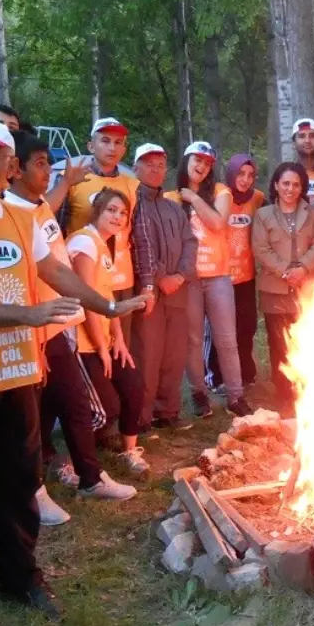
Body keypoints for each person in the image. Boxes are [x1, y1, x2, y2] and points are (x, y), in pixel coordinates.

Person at [0, 119, 148, 626]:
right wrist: (27, 316)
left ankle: (22, 577)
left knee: (19, 481)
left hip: (16, 369)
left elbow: (58, 273)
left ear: (9, 167)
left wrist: (107, 305)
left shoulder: (24, 217)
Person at [3, 131, 135, 504]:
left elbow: (57, 262)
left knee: (64, 407)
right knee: (42, 415)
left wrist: (64, 182)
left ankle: (87, 478)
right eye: (41, 163)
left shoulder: (37, 204)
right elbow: (48, 273)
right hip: (36, 331)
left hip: (60, 326)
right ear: (15, 169)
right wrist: (104, 307)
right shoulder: (11, 215)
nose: (49, 170)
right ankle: (36, 490)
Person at [68, 188, 150, 480]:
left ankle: (129, 451)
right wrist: (102, 347)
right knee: (104, 407)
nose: (117, 217)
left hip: (104, 337)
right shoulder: (84, 243)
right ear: (98, 211)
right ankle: (68, 462)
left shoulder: (104, 246)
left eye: (123, 213)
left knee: (133, 385)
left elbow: (108, 297)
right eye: (111, 210)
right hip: (81, 343)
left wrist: (119, 341)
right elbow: (88, 300)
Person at [167, 140, 251, 417]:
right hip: (188, 278)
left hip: (218, 276)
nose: (201, 166)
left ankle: (236, 396)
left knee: (226, 338)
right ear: (186, 161)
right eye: (196, 160)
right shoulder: (170, 197)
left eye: (207, 162)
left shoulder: (220, 191)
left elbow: (217, 224)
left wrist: (193, 199)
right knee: (192, 339)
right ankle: (199, 393)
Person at [130, 142, 199, 431]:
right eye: (149, 164)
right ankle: (141, 418)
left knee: (174, 353)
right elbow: (138, 246)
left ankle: (168, 412)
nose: (155, 170)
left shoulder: (174, 208)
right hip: (150, 292)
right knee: (148, 354)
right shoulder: (132, 205)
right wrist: (161, 279)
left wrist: (181, 276)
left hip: (179, 291)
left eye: (160, 165)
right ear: (136, 168)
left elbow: (190, 242)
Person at [253, 162, 314, 411]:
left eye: (296, 184)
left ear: (302, 187)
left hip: (306, 288)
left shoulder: (313, 213)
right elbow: (261, 249)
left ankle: (309, 390)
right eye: (285, 183)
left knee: (308, 340)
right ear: (276, 185)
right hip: (275, 288)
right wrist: (286, 270)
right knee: (279, 343)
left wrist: (302, 269)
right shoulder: (263, 215)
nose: (290, 189)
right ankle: (284, 394)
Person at [57, 118, 139, 341]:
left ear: (124, 148)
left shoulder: (132, 184)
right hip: (84, 281)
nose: (112, 148)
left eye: (118, 142)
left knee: (121, 347)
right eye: (105, 141)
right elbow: (57, 230)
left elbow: (137, 233)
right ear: (90, 145)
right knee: (89, 347)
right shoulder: (72, 180)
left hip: (121, 278)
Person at [207, 153, 264, 389]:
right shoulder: (219, 194)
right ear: (231, 173)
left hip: (247, 275)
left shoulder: (258, 198)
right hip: (221, 273)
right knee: (221, 329)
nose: (245, 180)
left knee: (247, 325)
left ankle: (245, 372)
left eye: (250, 175)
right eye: (241, 174)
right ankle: (215, 376)